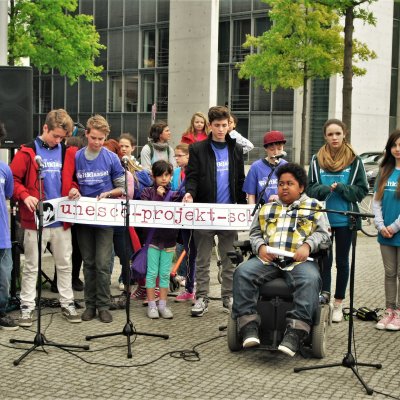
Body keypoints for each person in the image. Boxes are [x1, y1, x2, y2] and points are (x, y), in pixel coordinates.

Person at [232, 163, 331, 355]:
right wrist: (260, 247)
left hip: (299, 261)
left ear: (301, 187)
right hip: (268, 260)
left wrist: (308, 245)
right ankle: (249, 326)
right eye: (281, 184)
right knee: (242, 272)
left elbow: (324, 234)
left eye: (290, 183)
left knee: (310, 280)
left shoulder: (314, 206)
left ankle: (295, 332)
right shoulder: (267, 208)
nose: (284, 187)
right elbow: (254, 233)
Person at [10, 109, 81, 326]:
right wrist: (24, 196)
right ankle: (27, 306)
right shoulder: (27, 152)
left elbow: (75, 180)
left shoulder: (67, 152)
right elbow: (12, 181)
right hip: (35, 219)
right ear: (45, 128)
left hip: (61, 218)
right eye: (55, 136)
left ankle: (67, 303)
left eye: (62, 137)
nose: (58, 140)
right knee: (32, 264)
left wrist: (75, 190)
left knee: (65, 264)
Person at [183, 105, 246, 317]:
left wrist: (244, 204)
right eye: (217, 125)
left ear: (230, 125)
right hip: (205, 212)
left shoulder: (236, 149)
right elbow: (191, 176)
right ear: (210, 126)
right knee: (202, 259)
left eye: (224, 125)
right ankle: (202, 297)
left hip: (228, 213)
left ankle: (228, 297)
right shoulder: (198, 149)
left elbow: (239, 181)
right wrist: (189, 193)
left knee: (230, 258)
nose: (221, 129)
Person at [307, 119, 368, 322]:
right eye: (330, 134)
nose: (334, 138)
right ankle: (324, 298)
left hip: (345, 220)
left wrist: (341, 188)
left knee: (342, 262)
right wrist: (325, 189)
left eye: (338, 134)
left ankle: (339, 303)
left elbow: (361, 191)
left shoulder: (355, 160)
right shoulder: (316, 159)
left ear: (344, 135)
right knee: (324, 262)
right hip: (322, 221)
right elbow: (310, 189)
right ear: (325, 136)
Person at [72, 115, 125, 323]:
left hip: (105, 219)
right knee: (89, 262)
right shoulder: (77, 157)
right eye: (94, 138)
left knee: (103, 263)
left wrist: (109, 194)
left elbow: (123, 187)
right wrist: (74, 190)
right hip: (83, 219)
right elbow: (70, 182)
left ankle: (103, 305)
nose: (97, 142)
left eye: (101, 139)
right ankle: (90, 305)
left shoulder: (111, 158)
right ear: (86, 134)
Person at [141, 160, 181, 319]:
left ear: (171, 176)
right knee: (151, 273)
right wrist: (157, 197)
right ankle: (151, 305)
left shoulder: (176, 194)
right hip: (152, 239)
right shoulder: (146, 193)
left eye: (167, 175)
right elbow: (145, 211)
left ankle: (163, 304)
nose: (164, 178)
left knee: (164, 274)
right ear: (154, 176)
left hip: (169, 240)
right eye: (160, 175)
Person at [373, 130, 400, 331]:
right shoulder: (385, 171)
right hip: (385, 234)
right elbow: (376, 202)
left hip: (396, 230)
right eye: (394, 145)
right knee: (389, 273)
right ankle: (389, 310)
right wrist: (381, 226)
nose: (398, 150)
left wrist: (393, 226)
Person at [171, 143, 196, 302]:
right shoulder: (180, 173)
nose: (177, 158)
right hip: (184, 219)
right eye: (176, 156)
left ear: (188, 156)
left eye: (179, 155)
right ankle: (190, 288)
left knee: (193, 254)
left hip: (193, 219)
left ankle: (191, 289)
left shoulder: (193, 173)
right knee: (189, 253)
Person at [0, 121, 18, 330]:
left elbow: (8, 195)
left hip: (2, 235)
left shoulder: (5, 169)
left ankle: (2, 311)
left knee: (4, 278)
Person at [243, 130, 288, 205]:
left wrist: (279, 197)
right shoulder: (256, 167)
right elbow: (251, 195)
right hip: (261, 211)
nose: (276, 152)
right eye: (272, 149)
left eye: (279, 149)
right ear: (265, 148)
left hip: (282, 212)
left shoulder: (287, 166)